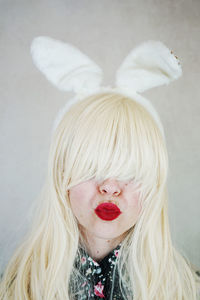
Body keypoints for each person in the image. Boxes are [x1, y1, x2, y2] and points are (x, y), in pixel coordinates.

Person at [0, 37, 199, 300]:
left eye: (130, 172)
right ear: (62, 175)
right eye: (92, 167)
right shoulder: (13, 291)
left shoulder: (188, 291)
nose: (110, 187)